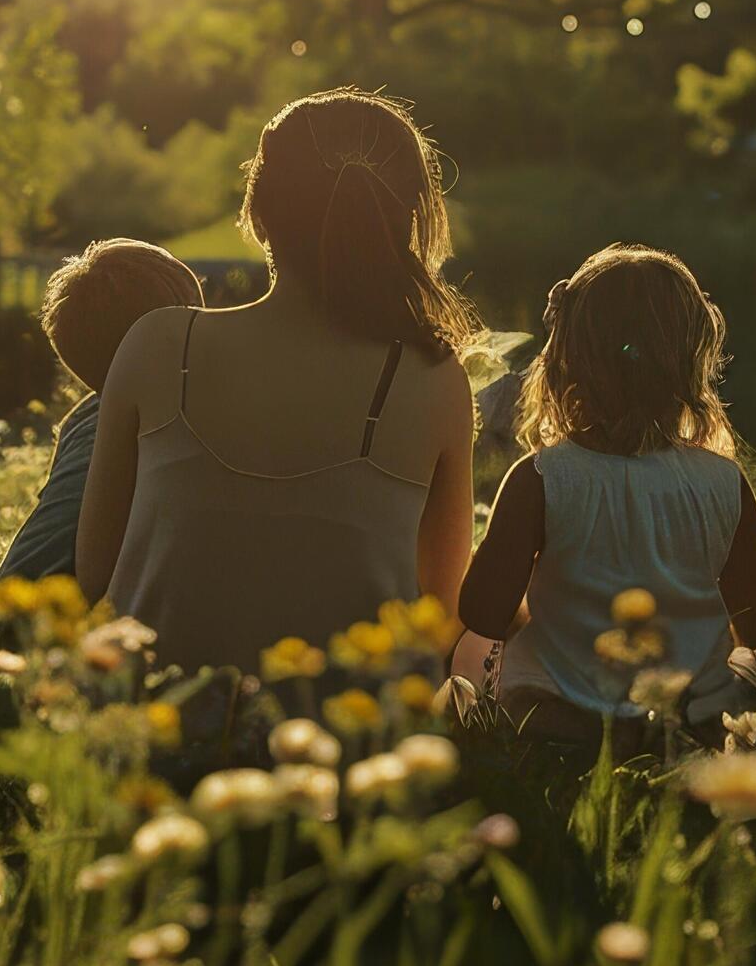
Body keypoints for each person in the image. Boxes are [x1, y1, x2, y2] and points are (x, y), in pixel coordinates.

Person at [74, 91, 479, 676]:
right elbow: (439, 617)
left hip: (152, 731)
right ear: (410, 224)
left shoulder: (159, 347)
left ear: (258, 215)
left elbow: (95, 576)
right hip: (345, 744)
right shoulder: (433, 382)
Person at [453, 246, 756, 740]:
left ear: (563, 359)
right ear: (693, 361)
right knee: (751, 675)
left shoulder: (540, 478)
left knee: (463, 672)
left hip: (556, 722)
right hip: (688, 726)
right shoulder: (724, 482)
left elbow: (481, 614)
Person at [0, 239, 203, 719]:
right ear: (175, 334)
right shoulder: (163, 422)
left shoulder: (89, 416)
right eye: (200, 319)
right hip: (40, 671)